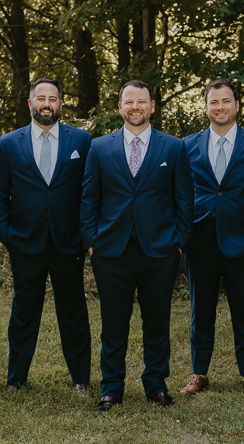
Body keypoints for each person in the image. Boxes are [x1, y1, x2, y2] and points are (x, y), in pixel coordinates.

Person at [80, 80, 193, 411]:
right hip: (110, 251)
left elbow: (185, 199)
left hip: (160, 250)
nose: (135, 107)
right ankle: (111, 389)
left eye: (141, 101)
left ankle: (156, 386)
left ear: (152, 106)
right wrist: (91, 243)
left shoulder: (173, 147)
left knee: (157, 323)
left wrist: (180, 243)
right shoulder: (100, 147)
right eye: (128, 102)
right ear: (119, 108)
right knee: (114, 325)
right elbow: (89, 198)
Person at [0, 78, 92, 394]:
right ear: (31, 103)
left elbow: (90, 192)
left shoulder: (82, 140)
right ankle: (16, 380)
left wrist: (85, 236)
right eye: (40, 98)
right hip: (25, 242)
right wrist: (6, 233)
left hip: (68, 243)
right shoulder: (9, 143)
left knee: (74, 312)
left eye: (53, 98)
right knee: (23, 313)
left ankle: (81, 380)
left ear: (61, 103)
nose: (46, 103)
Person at [178, 79, 244, 397]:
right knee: (200, 310)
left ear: (237, 105)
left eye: (226, 101)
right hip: (200, 240)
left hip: (243, 240)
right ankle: (199, 373)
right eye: (214, 102)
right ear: (206, 107)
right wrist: (183, 233)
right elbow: (179, 193)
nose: (220, 107)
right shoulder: (188, 144)